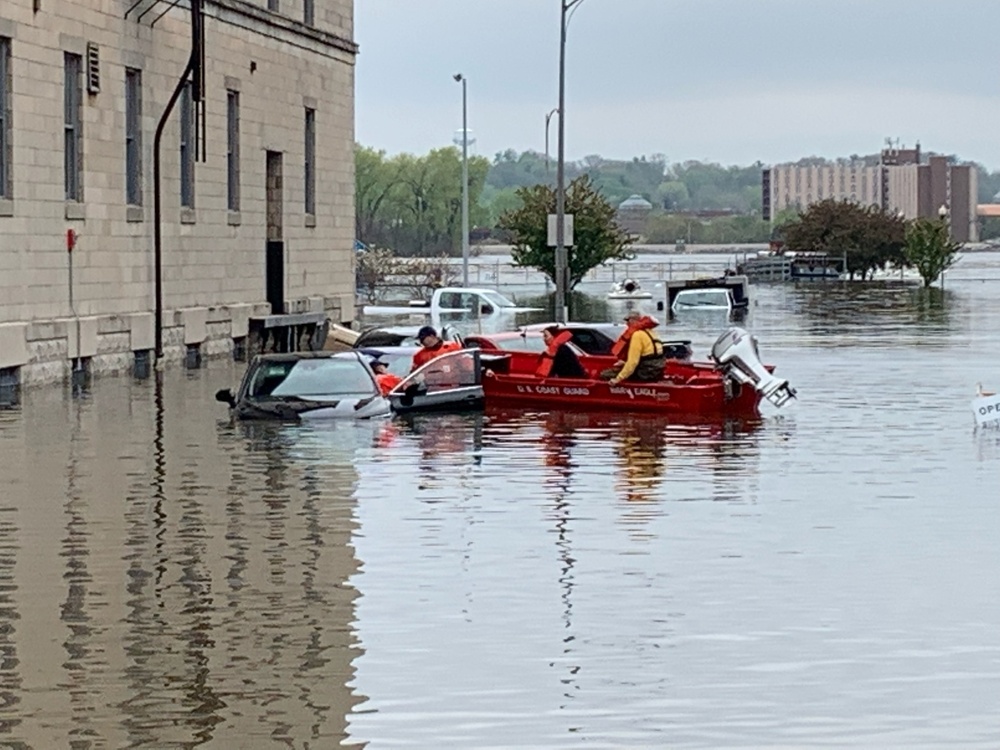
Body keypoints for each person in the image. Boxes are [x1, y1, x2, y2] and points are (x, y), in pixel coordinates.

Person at [600, 311, 666, 384]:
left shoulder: (637, 335)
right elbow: (649, 355)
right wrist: (624, 363)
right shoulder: (651, 332)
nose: (626, 323)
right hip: (657, 371)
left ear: (632, 320)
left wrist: (617, 379)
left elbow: (633, 362)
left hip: (645, 373)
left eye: (627, 320)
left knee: (605, 374)